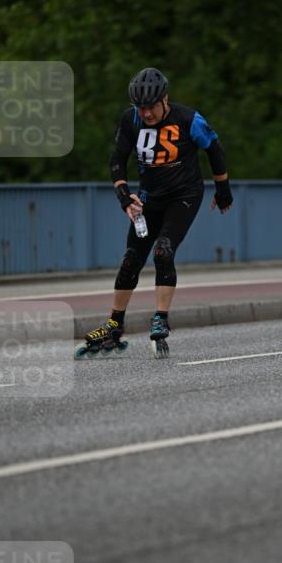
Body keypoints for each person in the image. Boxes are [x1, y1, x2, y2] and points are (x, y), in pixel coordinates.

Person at [80, 67, 232, 357]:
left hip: (184, 195)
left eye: (150, 107)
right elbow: (117, 159)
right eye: (140, 107)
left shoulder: (189, 119)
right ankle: (114, 325)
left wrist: (223, 188)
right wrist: (124, 194)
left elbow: (215, 149)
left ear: (165, 99)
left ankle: (161, 317)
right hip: (150, 198)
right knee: (130, 260)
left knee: (163, 250)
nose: (146, 114)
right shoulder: (131, 120)